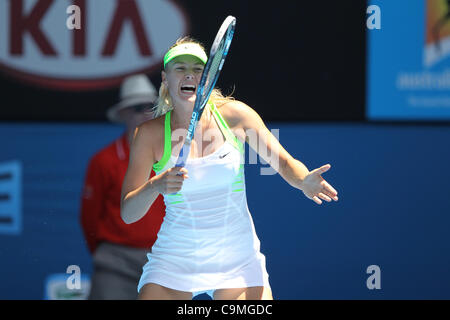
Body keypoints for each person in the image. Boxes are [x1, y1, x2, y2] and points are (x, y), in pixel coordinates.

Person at [120, 37, 339, 300]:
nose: (189, 74)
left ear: (208, 77)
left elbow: (283, 162)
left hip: (237, 262)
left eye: (197, 69)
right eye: (180, 68)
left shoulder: (236, 117)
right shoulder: (149, 135)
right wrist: (156, 186)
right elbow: (129, 213)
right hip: (174, 261)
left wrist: (303, 180)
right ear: (166, 79)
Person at [80, 74, 166, 300]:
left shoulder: (173, 156)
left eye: (151, 106)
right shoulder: (103, 160)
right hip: (115, 264)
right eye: (138, 108)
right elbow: (89, 218)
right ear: (123, 114)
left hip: (164, 261)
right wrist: (107, 253)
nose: (146, 113)